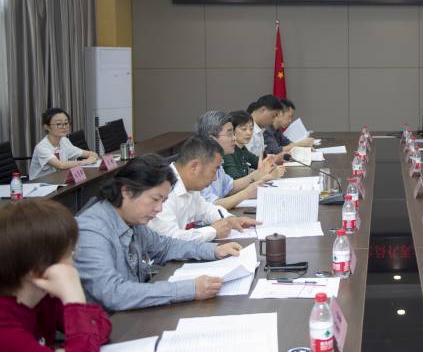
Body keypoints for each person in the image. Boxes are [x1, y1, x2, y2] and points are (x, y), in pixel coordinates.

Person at [75, 154, 242, 312]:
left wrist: (214, 250)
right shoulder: (91, 231)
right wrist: (189, 289)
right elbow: (114, 293)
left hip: (129, 316)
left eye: (163, 201)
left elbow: (165, 246)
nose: (159, 208)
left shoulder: (131, 219)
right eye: (155, 199)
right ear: (127, 191)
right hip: (106, 325)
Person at [0, 200, 111, 351]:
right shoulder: (4, 329)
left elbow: (102, 326)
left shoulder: (45, 298)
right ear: (36, 268)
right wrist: (74, 299)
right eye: (70, 253)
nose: (74, 261)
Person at [148, 136, 257, 242]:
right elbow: (169, 239)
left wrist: (230, 219)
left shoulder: (190, 185)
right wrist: (213, 231)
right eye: (214, 171)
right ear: (194, 167)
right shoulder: (163, 188)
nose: (215, 178)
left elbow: (206, 210)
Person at [195, 110, 281, 210]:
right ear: (212, 139)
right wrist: (246, 193)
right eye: (229, 134)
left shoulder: (217, 160)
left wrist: (258, 174)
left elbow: (229, 187)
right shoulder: (200, 165)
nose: (234, 138)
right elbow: (211, 205)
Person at [29, 108, 98, 180]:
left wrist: (92, 157)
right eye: (59, 124)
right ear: (47, 127)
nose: (64, 127)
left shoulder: (64, 141)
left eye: (66, 123)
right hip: (40, 184)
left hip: (59, 180)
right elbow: (60, 165)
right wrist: (85, 162)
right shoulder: (42, 147)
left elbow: (91, 154)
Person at [223, 110, 281, 182]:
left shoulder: (243, 149)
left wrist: (268, 164)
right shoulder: (227, 151)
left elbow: (259, 163)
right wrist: (260, 175)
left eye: (251, 129)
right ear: (232, 130)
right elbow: (235, 181)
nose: (249, 133)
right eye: (244, 129)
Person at [246, 94, 284, 160]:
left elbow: (258, 158)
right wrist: (275, 160)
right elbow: (246, 162)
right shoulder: (246, 130)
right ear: (263, 110)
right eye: (273, 116)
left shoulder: (260, 130)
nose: (273, 121)